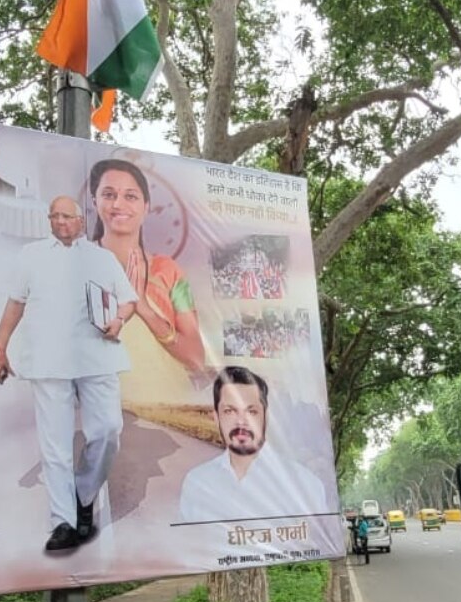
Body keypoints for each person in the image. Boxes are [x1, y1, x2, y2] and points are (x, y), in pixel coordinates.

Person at [0, 196, 137, 551]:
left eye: (66, 216)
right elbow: (15, 303)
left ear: (81, 221)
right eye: (53, 216)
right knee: (54, 446)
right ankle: (63, 523)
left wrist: (118, 320)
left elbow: (129, 301)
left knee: (107, 430)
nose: (59, 222)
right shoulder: (32, 256)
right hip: (48, 361)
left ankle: (84, 496)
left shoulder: (101, 258)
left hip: (97, 357)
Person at [88, 158, 208, 407]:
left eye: (130, 196)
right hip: (96, 412)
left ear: (146, 206)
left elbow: (196, 358)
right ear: (94, 202)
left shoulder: (168, 271)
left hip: (168, 414)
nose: (118, 204)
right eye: (109, 194)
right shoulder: (76, 265)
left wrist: (143, 308)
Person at [177, 366, 330, 523]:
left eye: (251, 411)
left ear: (266, 416)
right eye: (230, 411)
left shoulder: (304, 484)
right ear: (216, 418)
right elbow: (188, 543)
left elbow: (319, 542)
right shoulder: (198, 484)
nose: (241, 421)